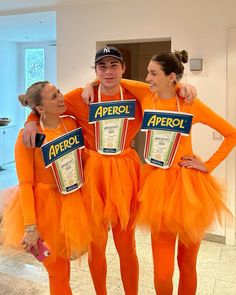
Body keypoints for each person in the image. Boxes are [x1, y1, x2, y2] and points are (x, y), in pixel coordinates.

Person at [22, 47, 196, 295]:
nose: (108, 71)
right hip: (94, 178)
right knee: (97, 247)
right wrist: (30, 121)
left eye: (114, 65)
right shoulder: (78, 97)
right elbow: (46, 106)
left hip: (125, 173)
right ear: (95, 70)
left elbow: (168, 89)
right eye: (102, 67)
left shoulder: (138, 93)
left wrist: (186, 88)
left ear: (123, 68)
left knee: (127, 247)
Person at [113, 50, 236, 294]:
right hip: (157, 187)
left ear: (171, 77)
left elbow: (231, 134)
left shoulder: (191, 104)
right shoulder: (146, 95)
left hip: (190, 189)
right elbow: (112, 79)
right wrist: (88, 86)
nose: (147, 78)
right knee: (162, 273)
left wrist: (208, 165)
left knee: (187, 265)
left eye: (153, 73)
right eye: (148, 72)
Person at [0, 81, 92, 295]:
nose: (61, 97)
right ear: (40, 108)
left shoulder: (71, 123)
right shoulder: (27, 137)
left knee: (64, 271)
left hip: (71, 202)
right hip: (44, 210)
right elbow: (25, 184)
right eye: (54, 96)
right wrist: (31, 227)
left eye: (58, 92)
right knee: (56, 273)